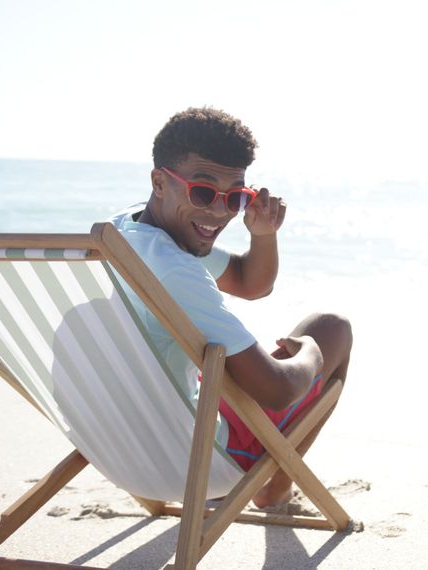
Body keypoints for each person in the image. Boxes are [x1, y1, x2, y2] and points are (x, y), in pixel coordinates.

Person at [111, 106, 353, 508]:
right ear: (159, 181)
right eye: (203, 192)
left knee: (225, 371)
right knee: (332, 329)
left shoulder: (125, 232)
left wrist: (263, 235)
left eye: (236, 197)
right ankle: (274, 488)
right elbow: (278, 390)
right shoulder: (175, 270)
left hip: (111, 446)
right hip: (191, 461)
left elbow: (250, 283)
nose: (219, 211)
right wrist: (311, 352)